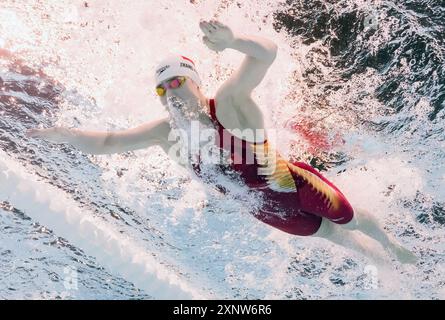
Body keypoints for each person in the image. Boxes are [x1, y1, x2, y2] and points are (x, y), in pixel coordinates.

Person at [26, 19, 416, 264]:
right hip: (271, 213)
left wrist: (232, 42)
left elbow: (266, 55)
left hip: (296, 188)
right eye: (162, 90)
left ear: (194, 81)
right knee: (337, 239)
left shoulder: (228, 106)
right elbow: (110, 143)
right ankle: (384, 266)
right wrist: (63, 137)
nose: (170, 93)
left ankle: (392, 245)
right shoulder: (167, 133)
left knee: (351, 219)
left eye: (176, 82)